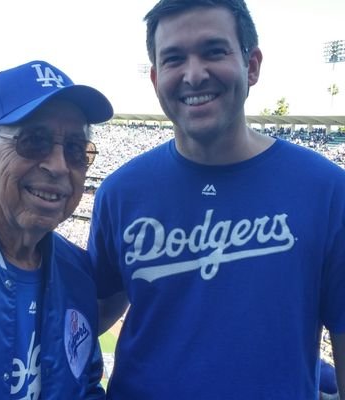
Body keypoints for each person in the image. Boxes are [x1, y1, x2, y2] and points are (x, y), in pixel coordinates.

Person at [87, 0, 345, 399]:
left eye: (213, 51)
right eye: (174, 59)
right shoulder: (120, 192)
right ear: (155, 78)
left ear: (252, 65)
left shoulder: (326, 189)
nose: (193, 75)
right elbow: (94, 312)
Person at [0, 60, 113, 399]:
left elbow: (87, 384)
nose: (59, 166)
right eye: (34, 141)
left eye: (76, 150)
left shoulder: (78, 273)